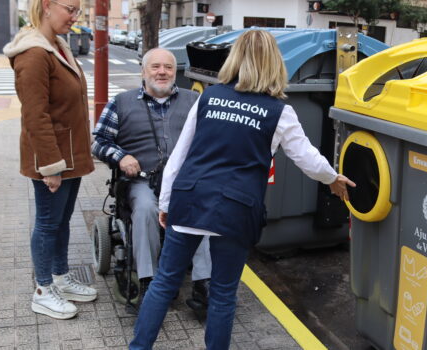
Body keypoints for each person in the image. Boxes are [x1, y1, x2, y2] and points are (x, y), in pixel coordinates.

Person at [129, 29, 356, 349]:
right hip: (235, 209)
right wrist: (333, 178)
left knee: (164, 283)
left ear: (234, 59)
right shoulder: (280, 111)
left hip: (191, 198)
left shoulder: (209, 96)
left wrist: (165, 201)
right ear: (275, 64)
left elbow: (180, 155)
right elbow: (307, 158)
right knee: (222, 295)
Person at [91, 48, 212, 309]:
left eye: (168, 67)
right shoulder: (121, 102)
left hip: (183, 181)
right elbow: (99, 141)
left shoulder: (195, 101)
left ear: (175, 72)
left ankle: (203, 283)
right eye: (155, 67)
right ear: (143, 72)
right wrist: (121, 157)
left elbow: (212, 140)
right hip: (141, 180)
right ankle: (151, 280)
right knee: (146, 208)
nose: (162, 72)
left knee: (202, 207)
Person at [3, 0, 96, 320]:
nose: (75, 17)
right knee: (47, 223)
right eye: (70, 9)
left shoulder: (56, 46)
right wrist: (51, 168)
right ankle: (43, 290)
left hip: (69, 155)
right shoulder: (33, 54)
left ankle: (60, 278)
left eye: (78, 11)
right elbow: (35, 117)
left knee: (61, 221)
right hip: (53, 159)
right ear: (46, 6)